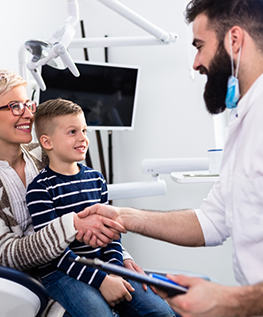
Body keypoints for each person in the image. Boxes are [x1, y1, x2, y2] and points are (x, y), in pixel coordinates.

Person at [78, 0, 263, 316]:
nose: (197, 62)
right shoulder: (248, 120)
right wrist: (124, 217)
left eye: (200, 46)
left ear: (235, 40)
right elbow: (211, 221)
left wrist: (229, 301)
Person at [0, 69, 143, 317]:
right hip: (11, 285)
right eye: (14, 106)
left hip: (68, 266)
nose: (28, 114)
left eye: (27, 104)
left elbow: (87, 199)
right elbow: (7, 255)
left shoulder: (44, 152)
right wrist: (73, 224)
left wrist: (121, 259)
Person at [26, 98, 174, 317]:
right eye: (72, 132)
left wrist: (114, 271)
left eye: (84, 130)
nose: (83, 138)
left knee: (162, 312)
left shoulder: (96, 179)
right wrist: (102, 280)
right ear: (47, 142)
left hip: (103, 265)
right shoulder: (40, 189)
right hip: (62, 273)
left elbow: (111, 234)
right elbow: (55, 253)